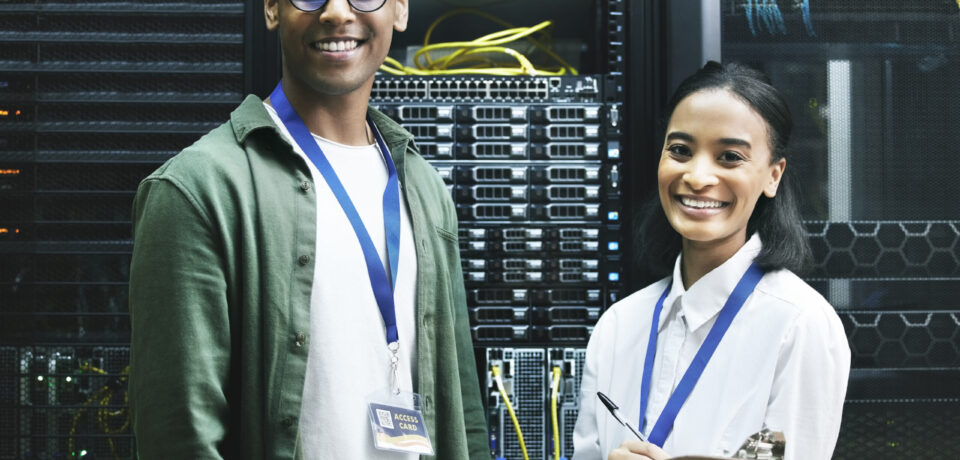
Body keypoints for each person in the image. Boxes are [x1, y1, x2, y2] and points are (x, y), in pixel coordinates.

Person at [127, 0, 488, 458]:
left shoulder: (424, 187)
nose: (337, 12)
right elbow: (179, 438)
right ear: (272, 9)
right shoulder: (198, 190)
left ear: (399, 9)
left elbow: (464, 411)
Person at [572, 62, 850, 460]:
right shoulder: (618, 326)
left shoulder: (797, 326)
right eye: (680, 151)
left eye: (730, 157)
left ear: (773, 175)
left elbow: (784, 451)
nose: (698, 176)